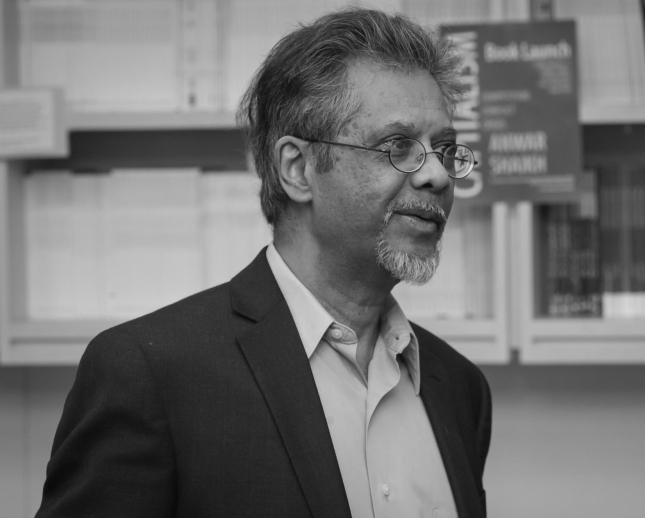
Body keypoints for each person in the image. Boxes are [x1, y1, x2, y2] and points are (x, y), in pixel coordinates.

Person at [36, 7, 492, 518]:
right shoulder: (150, 374)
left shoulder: (459, 388)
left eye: (445, 149)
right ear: (297, 169)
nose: (438, 176)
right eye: (398, 146)